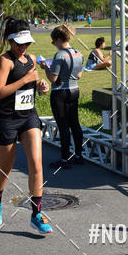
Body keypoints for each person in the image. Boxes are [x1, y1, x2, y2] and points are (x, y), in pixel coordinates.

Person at [0, 17, 52, 234]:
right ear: (10, 41)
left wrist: (41, 87)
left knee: (36, 163)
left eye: (26, 43)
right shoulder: (4, 61)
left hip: (28, 117)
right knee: (5, 167)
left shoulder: (32, 59)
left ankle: (36, 214)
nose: (23, 47)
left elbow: (33, 86)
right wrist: (24, 81)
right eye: (19, 43)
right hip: (7, 118)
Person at [39, 23, 84, 169]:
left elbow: (53, 78)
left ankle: (64, 159)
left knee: (63, 125)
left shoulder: (59, 55)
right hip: (74, 90)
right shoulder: (78, 53)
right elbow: (79, 75)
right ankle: (78, 154)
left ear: (58, 39)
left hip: (60, 92)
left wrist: (46, 67)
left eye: (53, 41)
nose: (54, 44)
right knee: (75, 123)